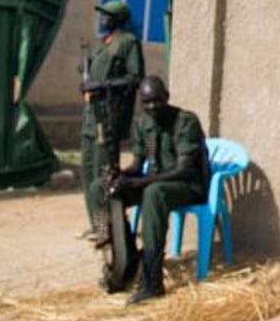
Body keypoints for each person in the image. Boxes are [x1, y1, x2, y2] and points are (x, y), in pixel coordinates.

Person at [87, 76, 209, 304]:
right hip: (157, 182)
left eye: (156, 101)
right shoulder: (143, 123)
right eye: (146, 102)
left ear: (167, 97)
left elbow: (183, 169)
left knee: (154, 192)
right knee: (99, 187)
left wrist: (141, 183)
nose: (152, 107)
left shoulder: (185, 121)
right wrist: (121, 176)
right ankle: (125, 259)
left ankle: (152, 280)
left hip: (187, 185)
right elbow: (137, 165)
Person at [80, 0, 144, 236]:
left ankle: (110, 224)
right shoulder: (103, 45)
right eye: (102, 14)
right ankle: (96, 224)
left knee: (104, 170)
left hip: (108, 118)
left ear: (119, 19)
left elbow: (135, 77)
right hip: (90, 116)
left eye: (108, 15)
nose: (103, 18)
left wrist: (101, 85)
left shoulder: (128, 42)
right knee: (87, 170)